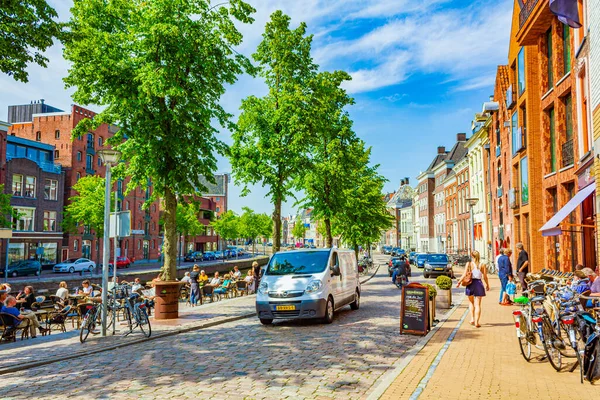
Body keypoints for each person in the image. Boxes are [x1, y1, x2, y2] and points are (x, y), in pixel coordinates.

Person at [456, 250, 490, 328]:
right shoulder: (482, 265)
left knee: (471, 302)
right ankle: (477, 322)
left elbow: (464, 274)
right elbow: (485, 277)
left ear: (472, 256)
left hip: (470, 284)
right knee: (478, 304)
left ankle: (472, 319)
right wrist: (487, 285)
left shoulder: (469, 264)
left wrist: (459, 282)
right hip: (479, 284)